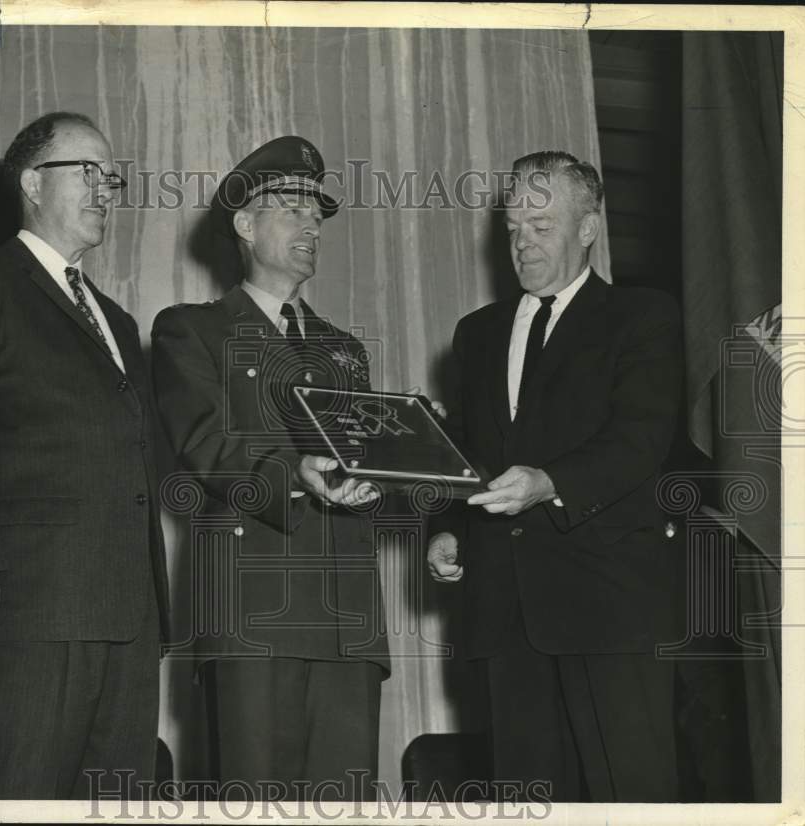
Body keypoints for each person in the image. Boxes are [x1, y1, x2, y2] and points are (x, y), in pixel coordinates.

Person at [0, 111, 169, 799]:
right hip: (24, 614)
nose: (105, 188)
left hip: (128, 624)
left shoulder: (118, 320)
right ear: (30, 182)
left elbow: (140, 456)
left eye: (111, 176)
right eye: (86, 170)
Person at [427, 150, 682, 802]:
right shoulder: (476, 333)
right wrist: (449, 524)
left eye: (541, 225)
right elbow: (466, 449)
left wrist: (549, 482)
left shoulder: (642, 318)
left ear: (589, 229)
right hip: (505, 615)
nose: (522, 242)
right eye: (513, 227)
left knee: (635, 798)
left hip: (609, 608)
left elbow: (641, 439)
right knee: (526, 801)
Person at [151, 136, 388, 801]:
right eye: (292, 209)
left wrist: (419, 461)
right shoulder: (191, 330)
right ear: (245, 225)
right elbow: (205, 441)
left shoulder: (345, 351)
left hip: (348, 619)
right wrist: (293, 472)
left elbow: (365, 470)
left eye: (318, 214)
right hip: (255, 615)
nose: (312, 225)